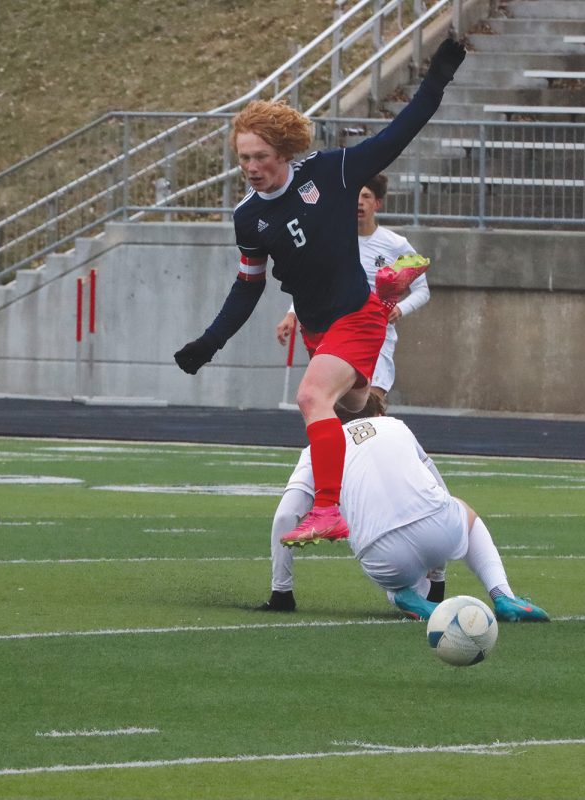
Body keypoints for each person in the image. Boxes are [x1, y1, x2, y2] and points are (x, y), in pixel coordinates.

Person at [174, 37, 465, 550]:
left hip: (359, 314)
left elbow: (401, 132)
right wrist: (209, 342)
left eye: (260, 156)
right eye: (243, 157)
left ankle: (329, 509)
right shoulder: (248, 217)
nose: (251, 166)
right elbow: (247, 288)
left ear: (283, 152)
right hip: (316, 327)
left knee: (311, 397)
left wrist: (436, 78)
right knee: (357, 411)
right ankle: (424, 507)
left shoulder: (332, 172)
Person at [262, 399, 549, 622]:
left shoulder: (316, 448)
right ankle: (502, 595)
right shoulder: (395, 426)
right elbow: (438, 488)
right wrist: (438, 575)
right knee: (461, 510)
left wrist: (281, 593)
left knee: (397, 580)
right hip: (440, 531)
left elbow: (286, 517)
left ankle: (405, 597)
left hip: (382, 554)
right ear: (378, 414)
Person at [275, 173, 430, 408]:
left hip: (377, 334)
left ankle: (379, 441)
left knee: (373, 406)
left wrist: (400, 308)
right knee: (337, 407)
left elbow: (422, 290)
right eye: (354, 196)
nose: (359, 202)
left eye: (366, 196)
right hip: (339, 331)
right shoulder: (332, 239)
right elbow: (315, 281)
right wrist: (291, 312)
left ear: (377, 203)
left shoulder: (395, 244)